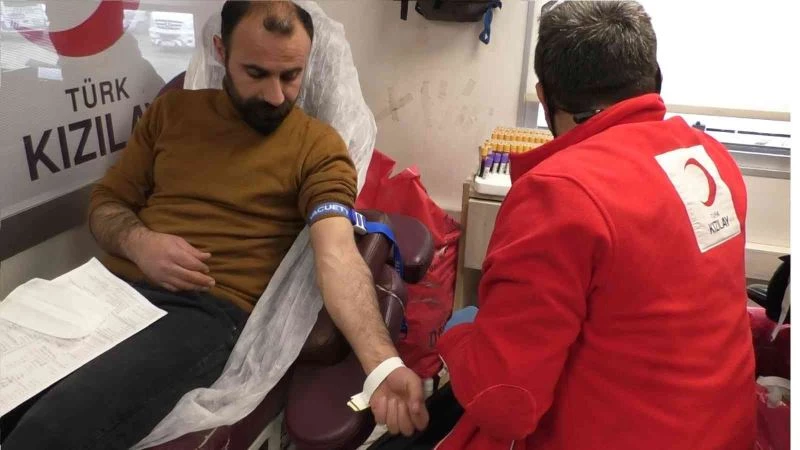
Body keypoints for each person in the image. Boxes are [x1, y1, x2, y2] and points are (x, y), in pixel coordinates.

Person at [0, 2, 428, 448]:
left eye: (291, 76)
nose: (275, 96)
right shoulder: (172, 114)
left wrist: (383, 365)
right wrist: (138, 241)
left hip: (203, 312)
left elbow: (337, 252)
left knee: (45, 433)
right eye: (256, 73)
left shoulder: (318, 148)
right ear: (221, 52)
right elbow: (107, 203)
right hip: (108, 293)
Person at [430, 1, 756, 449]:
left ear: (544, 97)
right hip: (727, 431)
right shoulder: (709, 159)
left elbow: (505, 404)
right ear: (654, 79)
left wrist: (457, 334)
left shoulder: (560, 194)